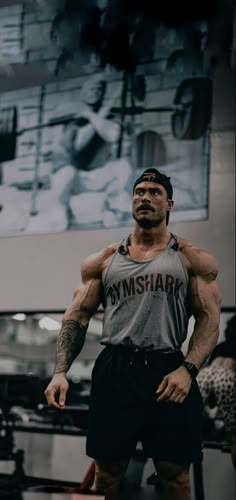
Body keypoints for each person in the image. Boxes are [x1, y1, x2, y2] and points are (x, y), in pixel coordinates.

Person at [44, 168, 222, 500]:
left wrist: (188, 370)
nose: (145, 197)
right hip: (115, 369)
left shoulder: (190, 259)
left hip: (168, 369)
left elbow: (209, 321)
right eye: (139, 191)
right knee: (107, 474)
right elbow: (78, 316)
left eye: (154, 192)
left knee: (175, 476)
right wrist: (60, 372)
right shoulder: (104, 261)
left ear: (169, 204)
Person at [50, 72, 132, 228]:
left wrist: (92, 116)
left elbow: (113, 135)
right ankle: (61, 210)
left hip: (100, 174)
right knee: (64, 173)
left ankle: (113, 209)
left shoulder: (109, 117)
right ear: (82, 93)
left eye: (99, 89)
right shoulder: (70, 122)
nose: (95, 92)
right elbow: (67, 152)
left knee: (123, 167)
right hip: (77, 177)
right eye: (91, 88)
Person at [197, 314, 236, 467]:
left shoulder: (220, 347)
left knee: (185, 425)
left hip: (206, 374)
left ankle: (164, 470)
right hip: (226, 376)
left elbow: (212, 402)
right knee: (234, 434)